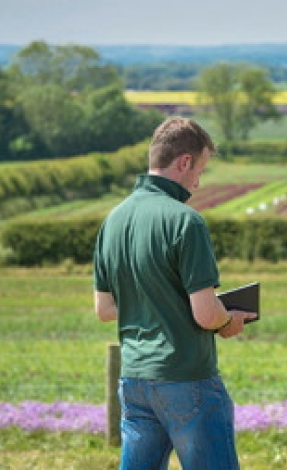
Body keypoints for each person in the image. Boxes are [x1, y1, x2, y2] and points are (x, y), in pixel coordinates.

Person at [93, 116, 256, 470]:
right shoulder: (186, 221)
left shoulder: (113, 220)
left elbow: (104, 308)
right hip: (186, 376)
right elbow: (206, 314)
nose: (198, 181)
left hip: (135, 379)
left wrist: (156, 300)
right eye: (200, 169)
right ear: (184, 162)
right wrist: (229, 319)